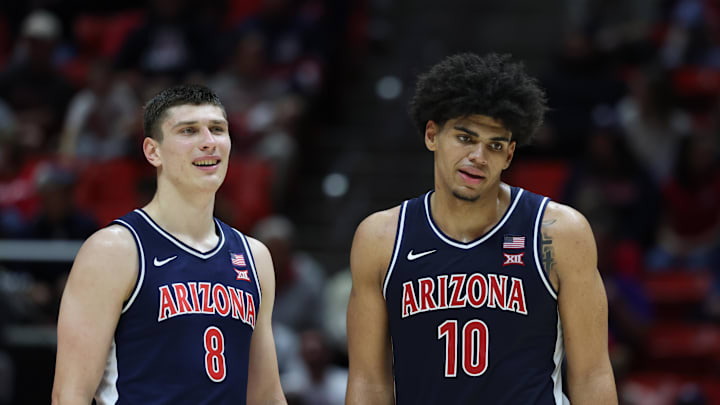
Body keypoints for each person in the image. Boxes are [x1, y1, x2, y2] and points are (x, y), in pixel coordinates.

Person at [345, 53, 617, 404]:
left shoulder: (558, 232)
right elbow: (368, 382)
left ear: (509, 155)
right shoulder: (381, 238)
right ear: (432, 135)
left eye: (495, 145)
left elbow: (592, 375)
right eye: (465, 138)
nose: (478, 156)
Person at [51, 84, 287, 405]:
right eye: (188, 131)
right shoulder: (115, 250)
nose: (208, 142)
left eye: (218, 129)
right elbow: (70, 394)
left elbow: (267, 396)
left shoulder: (254, 257)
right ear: (153, 151)